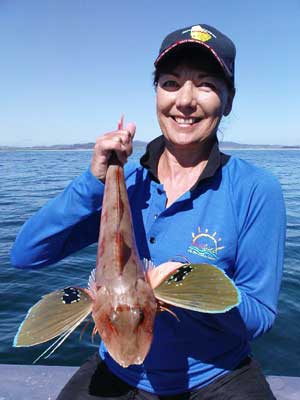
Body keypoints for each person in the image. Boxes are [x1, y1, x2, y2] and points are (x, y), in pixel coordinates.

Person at [11, 24, 286, 399]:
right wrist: (93, 182)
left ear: (228, 99)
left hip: (215, 377)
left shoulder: (255, 189)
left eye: (205, 84)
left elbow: (260, 315)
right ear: (156, 94)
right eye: (170, 83)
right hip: (119, 369)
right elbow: (26, 255)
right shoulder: (125, 184)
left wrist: (188, 286)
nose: (185, 100)